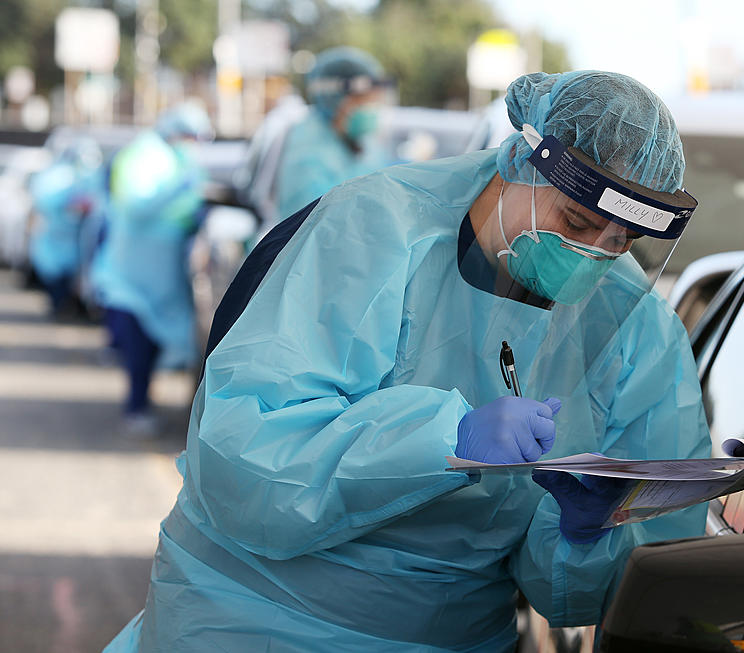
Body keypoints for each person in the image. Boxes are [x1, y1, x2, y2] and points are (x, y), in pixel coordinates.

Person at [105, 70, 711, 651]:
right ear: (519, 162)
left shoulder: (631, 331)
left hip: (457, 638)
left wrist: (585, 536)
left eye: (620, 241)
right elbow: (246, 462)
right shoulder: (373, 232)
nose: (593, 255)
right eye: (576, 221)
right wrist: (444, 439)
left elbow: (624, 593)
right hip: (252, 620)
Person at [92, 102, 212, 437]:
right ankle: (136, 406)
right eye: (189, 135)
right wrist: (179, 187)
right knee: (138, 341)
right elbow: (136, 206)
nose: (193, 143)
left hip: (163, 270)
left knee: (160, 340)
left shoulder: (177, 159)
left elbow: (188, 207)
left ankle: (143, 403)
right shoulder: (142, 155)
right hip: (132, 270)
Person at [275, 46, 393, 218]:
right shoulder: (308, 152)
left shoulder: (358, 142)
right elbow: (317, 226)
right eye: (363, 101)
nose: (372, 109)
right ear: (336, 100)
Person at [27, 137, 103, 317]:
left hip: (80, 237)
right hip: (56, 234)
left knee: (78, 276)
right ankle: (59, 305)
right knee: (54, 272)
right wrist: (66, 205)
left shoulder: (90, 175)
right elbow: (44, 200)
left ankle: (73, 306)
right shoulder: (57, 176)